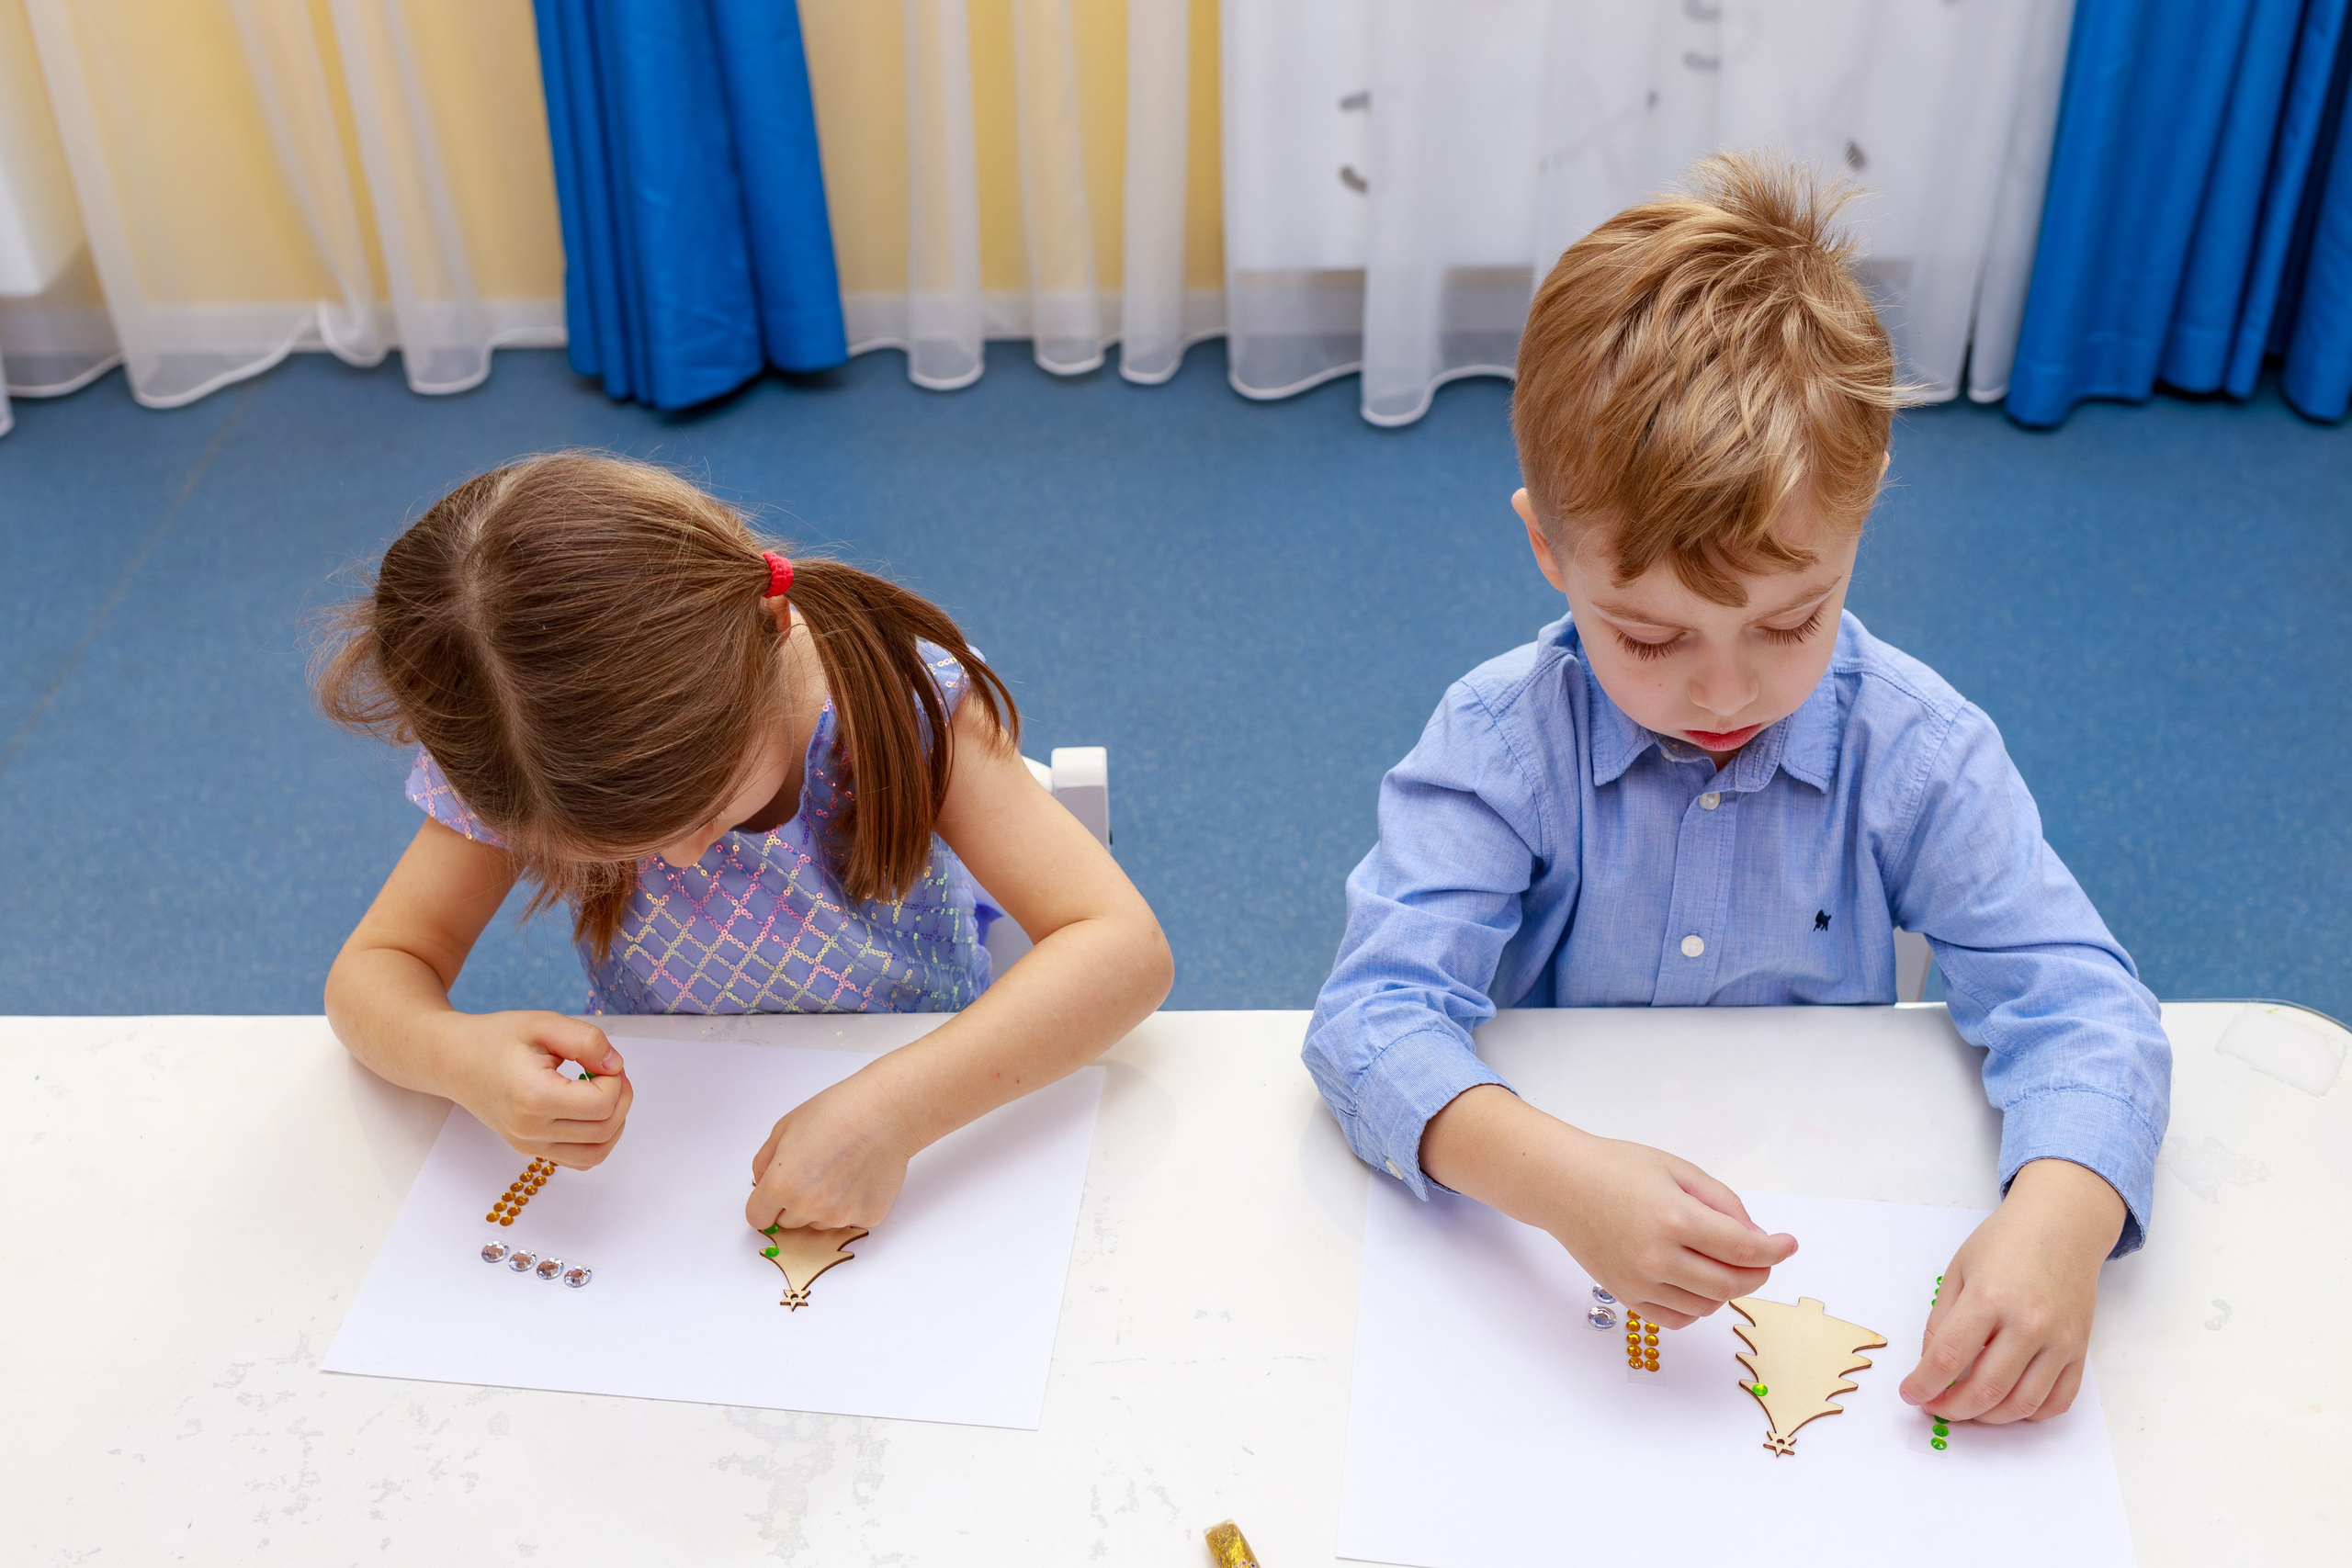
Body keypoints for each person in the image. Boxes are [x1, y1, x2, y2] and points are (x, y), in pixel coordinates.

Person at [1305, 153, 2168, 1429]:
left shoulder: (1917, 748)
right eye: (1648, 638)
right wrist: (1558, 1179)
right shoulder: (1502, 740)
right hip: (1567, 1226)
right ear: (1546, 544)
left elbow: (2088, 1005)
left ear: (1862, 517)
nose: (1724, 688)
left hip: (1834, 1192)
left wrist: (2060, 1213)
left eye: (1793, 619)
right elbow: (1369, 1017)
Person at [318, 452, 1171, 1236]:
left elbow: (1125, 949)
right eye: (620, 848)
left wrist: (894, 1113)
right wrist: (459, 1057)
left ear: (770, 631)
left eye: (709, 813)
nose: (683, 862)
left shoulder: (908, 706)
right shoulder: (528, 746)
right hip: (682, 1128)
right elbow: (375, 972)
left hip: (928, 1076)